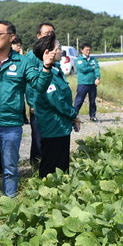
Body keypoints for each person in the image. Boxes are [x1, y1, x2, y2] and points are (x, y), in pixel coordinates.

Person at [0, 20, 55, 209]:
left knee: (10, 168)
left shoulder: (22, 62)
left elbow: (39, 86)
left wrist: (46, 67)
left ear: (11, 37)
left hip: (11, 125)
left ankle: (10, 206)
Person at [30, 34, 81, 177]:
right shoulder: (45, 74)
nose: (61, 51)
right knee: (51, 166)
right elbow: (57, 101)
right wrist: (73, 115)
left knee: (61, 165)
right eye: (58, 48)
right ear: (48, 52)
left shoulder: (55, 71)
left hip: (60, 126)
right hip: (53, 126)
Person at [25, 22, 56, 164]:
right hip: (38, 105)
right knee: (38, 136)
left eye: (52, 33)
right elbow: (29, 84)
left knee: (51, 136)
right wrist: (32, 103)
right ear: (38, 36)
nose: (50, 35)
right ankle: (36, 164)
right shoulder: (31, 56)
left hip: (52, 104)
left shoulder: (54, 54)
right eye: (46, 33)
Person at [73, 42, 100, 122]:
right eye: (86, 50)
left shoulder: (93, 59)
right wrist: (92, 67)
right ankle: (73, 116)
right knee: (79, 100)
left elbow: (97, 68)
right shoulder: (79, 60)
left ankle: (92, 116)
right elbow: (83, 69)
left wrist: (98, 77)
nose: (88, 51)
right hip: (83, 84)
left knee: (92, 101)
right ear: (82, 50)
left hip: (92, 84)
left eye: (89, 50)